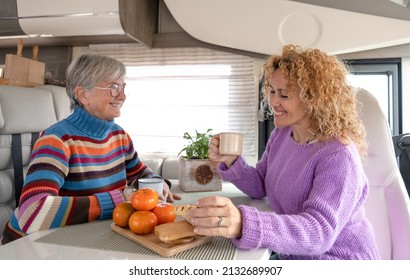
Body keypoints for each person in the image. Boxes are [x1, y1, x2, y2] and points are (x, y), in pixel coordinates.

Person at [188, 44, 380, 260]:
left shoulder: (339, 156)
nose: (273, 102)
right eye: (271, 91)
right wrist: (231, 161)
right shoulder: (282, 136)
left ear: (313, 98)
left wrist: (244, 223)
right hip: (292, 256)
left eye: (284, 94)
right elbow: (260, 184)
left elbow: (319, 232)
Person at [1, 54, 180, 245]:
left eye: (122, 87)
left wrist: (156, 183)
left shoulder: (119, 135)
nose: (122, 95)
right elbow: (32, 213)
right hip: (29, 247)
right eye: (113, 87)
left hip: (83, 237)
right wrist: (119, 199)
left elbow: (140, 173)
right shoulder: (57, 140)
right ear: (83, 95)